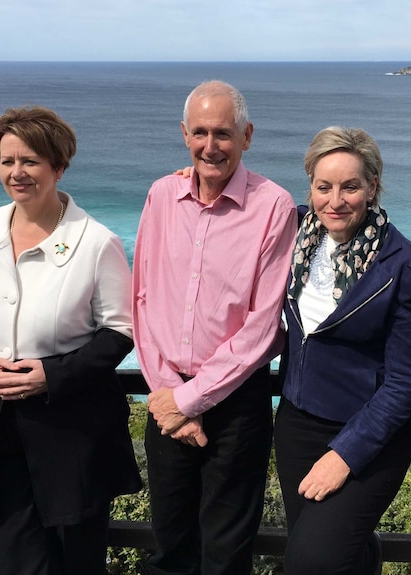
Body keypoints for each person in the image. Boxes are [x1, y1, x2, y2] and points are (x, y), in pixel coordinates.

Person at [0, 106, 142, 575]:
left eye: (30, 161)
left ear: (58, 166)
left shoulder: (95, 242)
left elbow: (121, 330)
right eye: (7, 161)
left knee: (77, 561)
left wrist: (53, 375)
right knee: (17, 561)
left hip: (72, 432)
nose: (17, 172)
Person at [132, 80, 297, 575]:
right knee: (169, 547)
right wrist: (169, 396)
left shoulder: (274, 205)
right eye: (200, 133)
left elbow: (265, 325)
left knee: (225, 555)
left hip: (236, 405)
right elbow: (143, 298)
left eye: (222, 133)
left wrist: (191, 401)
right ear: (184, 134)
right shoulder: (162, 195)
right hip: (165, 397)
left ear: (247, 136)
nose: (210, 146)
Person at [274, 126, 411, 574]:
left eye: (351, 186)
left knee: (311, 562)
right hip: (296, 425)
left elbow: (404, 382)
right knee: (336, 553)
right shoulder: (295, 232)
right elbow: (239, 211)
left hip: (368, 436)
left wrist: (345, 454)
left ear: (373, 187)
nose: (335, 200)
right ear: (310, 186)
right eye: (323, 187)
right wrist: (195, 178)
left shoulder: (403, 266)